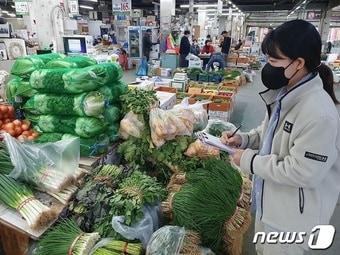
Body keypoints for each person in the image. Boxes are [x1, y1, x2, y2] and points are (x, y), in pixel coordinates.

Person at [221, 20, 340, 255]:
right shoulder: (287, 92)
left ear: (298, 63)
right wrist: (243, 140)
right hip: (272, 203)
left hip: (292, 219)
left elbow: (302, 171)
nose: (268, 66)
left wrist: (249, 160)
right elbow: (268, 132)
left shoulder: (319, 113)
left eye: (274, 61)